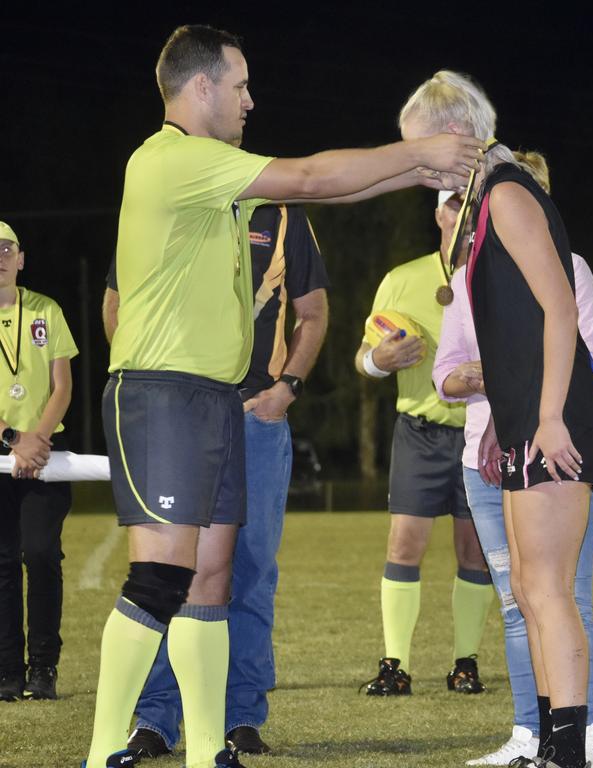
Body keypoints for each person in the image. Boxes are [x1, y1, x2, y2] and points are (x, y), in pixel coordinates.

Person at [84, 24, 483, 768]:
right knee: (162, 574)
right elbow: (306, 177)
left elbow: (328, 189)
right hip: (163, 394)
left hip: (216, 399)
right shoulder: (170, 160)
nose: (249, 100)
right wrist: (421, 153)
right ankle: (102, 748)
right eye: (239, 85)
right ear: (199, 87)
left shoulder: (218, 178)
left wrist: (422, 175)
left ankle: (208, 750)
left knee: (211, 575)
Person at [400, 71, 593, 768]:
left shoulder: (510, 193)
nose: (417, 167)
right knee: (527, 586)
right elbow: (509, 328)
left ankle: (570, 752)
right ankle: (552, 744)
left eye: (421, 151)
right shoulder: (481, 206)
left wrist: (549, 416)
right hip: (522, 416)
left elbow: (559, 310)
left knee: (550, 590)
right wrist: (507, 418)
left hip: (557, 416)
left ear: (455, 136)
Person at [101, 203, 328, 756]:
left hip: (254, 418)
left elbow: (314, 312)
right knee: (165, 572)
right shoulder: (170, 197)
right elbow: (116, 304)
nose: (245, 108)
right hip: (178, 415)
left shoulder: (282, 215)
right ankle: (156, 718)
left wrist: (287, 387)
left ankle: (239, 714)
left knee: (248, 568)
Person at [353, 190, 492, 697]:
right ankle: (395, 665)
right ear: (438, 214)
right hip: (420, 430)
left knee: (473, 551)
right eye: (455, 206)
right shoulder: (402, 278)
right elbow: (364, 357)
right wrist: (379, 361)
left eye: (474, 206)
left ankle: (465, 664)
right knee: (405, 544)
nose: (465, 216)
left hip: (481, 429)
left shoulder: (499, 274)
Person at [0, 222, 77, 703]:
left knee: (42, 554)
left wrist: (36, 440)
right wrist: (12, 439)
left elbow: (63, 386)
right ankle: (7, 670)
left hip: (45, 456)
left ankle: (43, 668)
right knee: (3, 561)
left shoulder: (46, 309)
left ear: (21, 258)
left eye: (6, 249)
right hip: (5, 453)